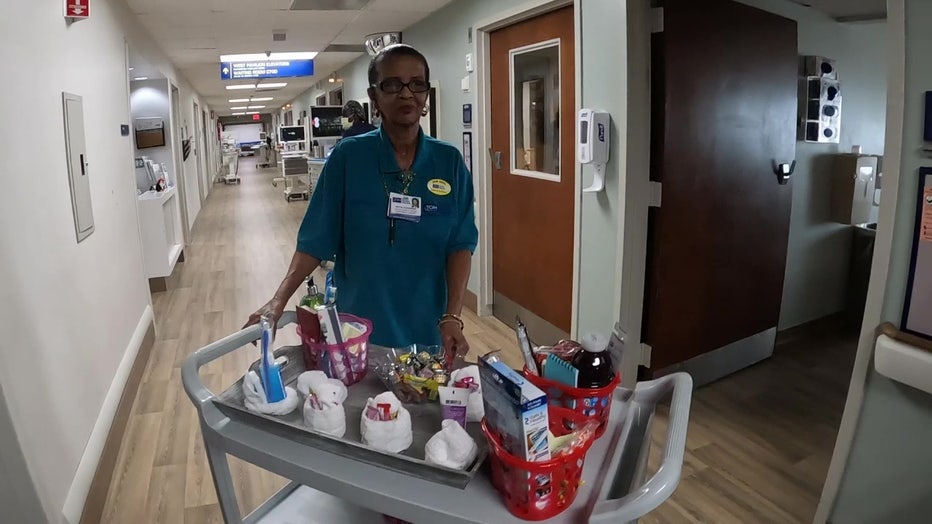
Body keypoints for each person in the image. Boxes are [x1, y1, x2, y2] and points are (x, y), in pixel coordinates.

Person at [246, 44, 478, 363]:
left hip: (430, 329)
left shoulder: (448, 161)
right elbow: (315, 240)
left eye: (417, 83)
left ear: (426, 94)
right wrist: (277, 300)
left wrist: (452, 316)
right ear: (374, 95)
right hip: (358, 332)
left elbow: (460, 244)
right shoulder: (349, 158)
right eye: (392, 84)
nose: (407, 93)